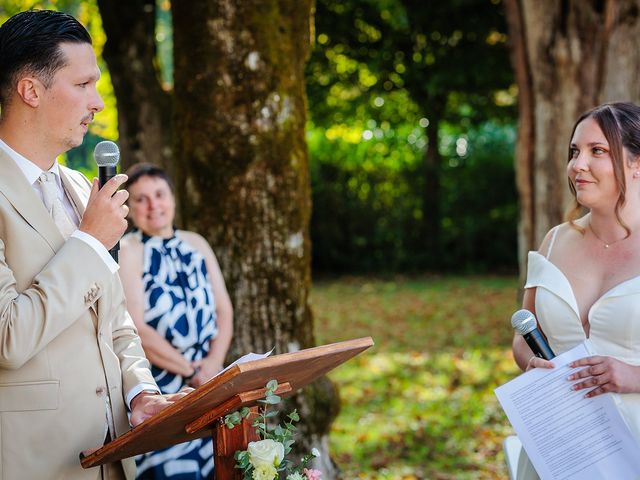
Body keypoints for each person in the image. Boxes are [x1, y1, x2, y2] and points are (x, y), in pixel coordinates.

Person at [0, 10, 189, 480]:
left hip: (111, 459)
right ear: (31, 90)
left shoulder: (83, 190)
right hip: (32, 462)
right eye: (83, 85)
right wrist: (88, 241)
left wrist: (139, 394)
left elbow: (115, 319)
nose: (98, 102)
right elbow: (8, 336)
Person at [512, 102, 640, 478]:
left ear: (637, 163)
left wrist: (633, 376)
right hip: (560, 446)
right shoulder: (555, 240)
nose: (577, 165)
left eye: (597, 151)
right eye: (574, 152)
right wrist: (531, 362)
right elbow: (524, 334)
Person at [118, 163, 233, 479]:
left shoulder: (196, 243)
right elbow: (136, 326)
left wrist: (213, 365)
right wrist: (190, 371)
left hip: (210, 381)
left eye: (159, 194)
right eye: (141, 199)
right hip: (162, 388)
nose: (153, 205)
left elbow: (224, 310)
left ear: (172, 198)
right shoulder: (129, 250)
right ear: (129, 209)